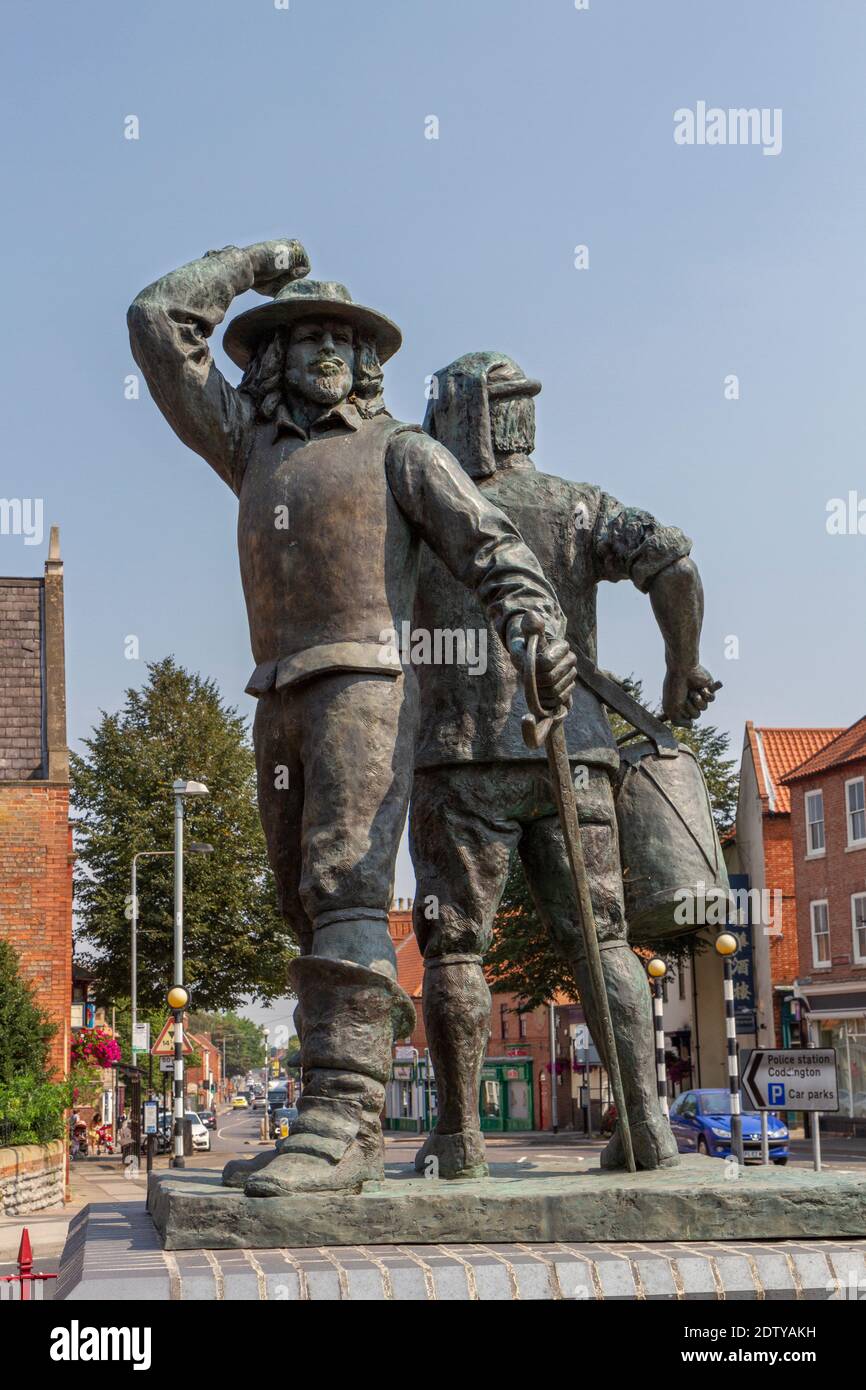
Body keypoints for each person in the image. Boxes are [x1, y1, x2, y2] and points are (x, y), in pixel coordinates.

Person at [128, 241, 576, 1196]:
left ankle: (342, 1118)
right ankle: (336, 1113)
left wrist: (535, 626)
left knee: (346, 885)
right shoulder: (250, 445)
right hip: (279, 689)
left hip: (367, 685)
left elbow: (491, 546)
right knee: (300, 895)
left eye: (346, 335)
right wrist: (252, 262)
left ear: (370, 361)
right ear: (271, 358)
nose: (329, 348)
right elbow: (157, 325)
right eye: (305, 335)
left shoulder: (403, 453)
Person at [410, 351, 718, 1175]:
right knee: (603, 941)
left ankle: (459, 1139)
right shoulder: (578, 506)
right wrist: (680, 666)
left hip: (459, 758)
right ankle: (647, 1127)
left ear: (455, 418)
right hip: (573, 750)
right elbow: (674, 561)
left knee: (454, 950)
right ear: (512, 419)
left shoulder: (421, 506)